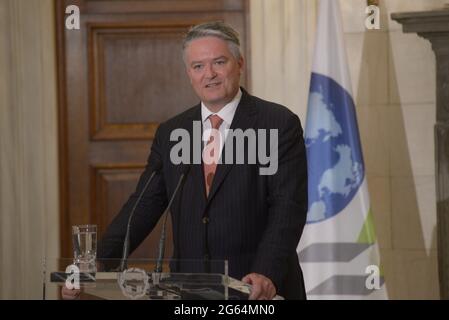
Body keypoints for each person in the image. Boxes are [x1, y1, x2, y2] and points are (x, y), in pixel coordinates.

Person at [63, 21, 307, 300]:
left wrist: (266, 271)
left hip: (255, 288)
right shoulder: (172, 132)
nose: (209, 74)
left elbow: (288, 207)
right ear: (188, 73)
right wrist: (98, 263)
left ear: (239, 63)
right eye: (198, 66)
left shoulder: (278, 123)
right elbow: (142, 206)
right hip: (189, 291)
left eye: (219, 62)